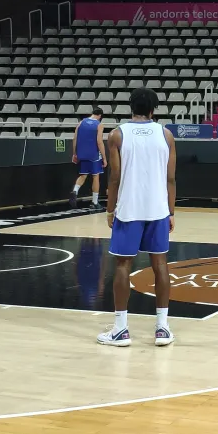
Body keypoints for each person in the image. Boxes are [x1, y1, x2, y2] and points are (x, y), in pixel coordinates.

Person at [99, 89, 177, 347]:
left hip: (129, 208)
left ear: (130, 107)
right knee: (160, 264)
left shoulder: (117, 135)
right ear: (154, 109)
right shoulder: (165, 135)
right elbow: (170, 178)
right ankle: (162, 329)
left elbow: (114, 177)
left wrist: (110, 209)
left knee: (123, 266)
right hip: (157, 208)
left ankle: (121, 331)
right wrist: (171, 211)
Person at [70, 107, 106, 209]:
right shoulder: (99, 125)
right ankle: (94, 202)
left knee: (83, 175)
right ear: (100, 116)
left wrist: (74, 154)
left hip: (82, 153)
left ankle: (75, 190)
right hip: (94, 155)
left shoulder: (81, 123)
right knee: (96, 177)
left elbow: (75, 138)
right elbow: (99, 142)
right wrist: (104, 157)